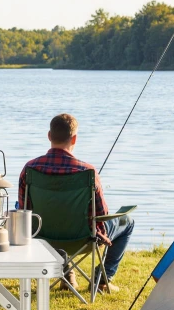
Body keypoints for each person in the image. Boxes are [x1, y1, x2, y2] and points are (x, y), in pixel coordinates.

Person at [18, 113, 134, 292]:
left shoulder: (30, 169)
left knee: (37, 214)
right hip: (83, 239)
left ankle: (67, 275)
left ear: (49, 136)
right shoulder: (87, 171)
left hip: (42, 238)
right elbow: (101, 214)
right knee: (127, 223)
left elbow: (25, 210)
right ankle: (102, 280)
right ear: (75, 139)